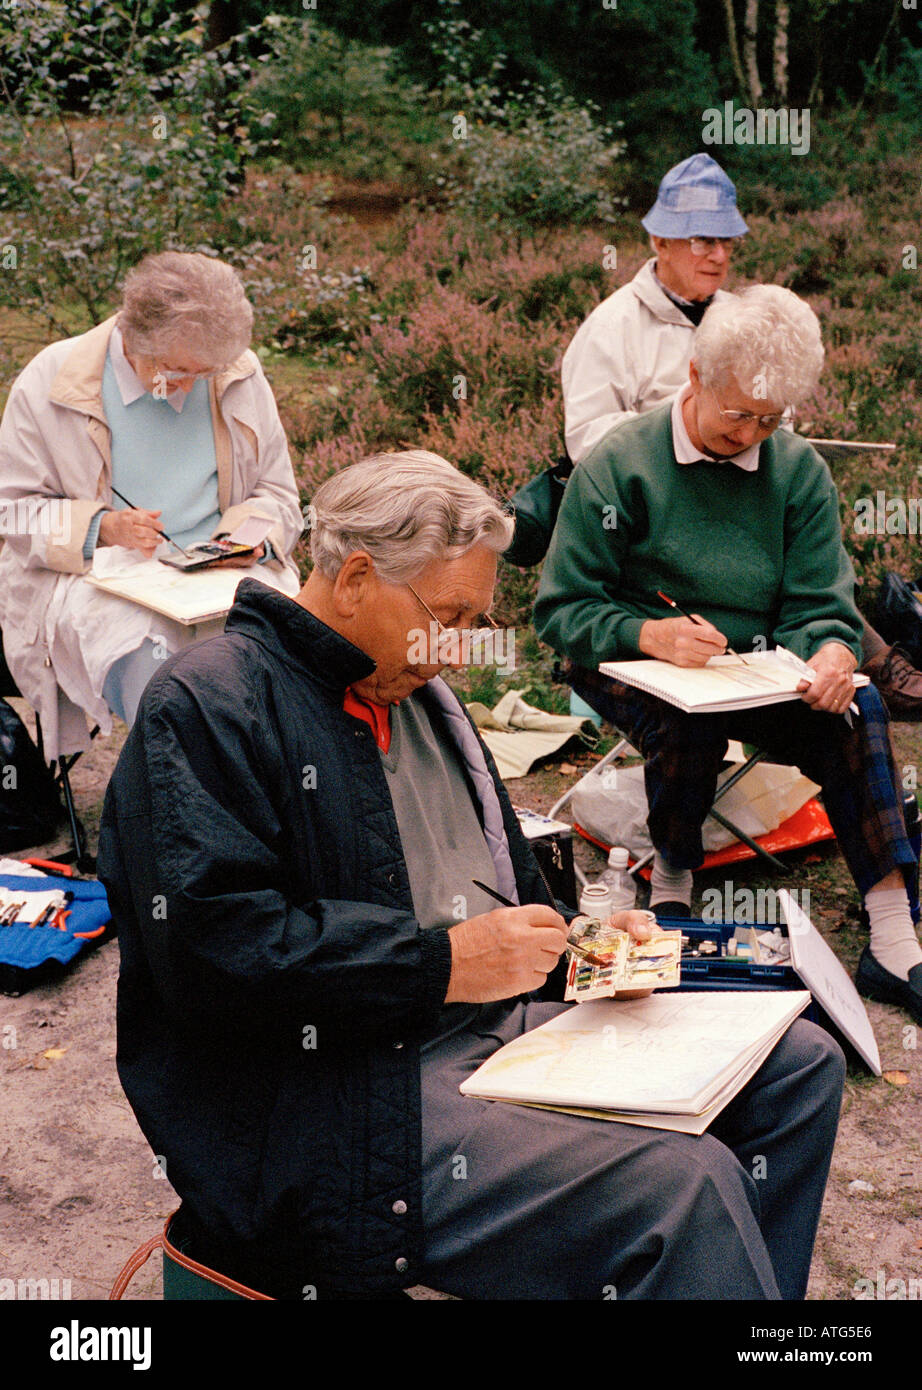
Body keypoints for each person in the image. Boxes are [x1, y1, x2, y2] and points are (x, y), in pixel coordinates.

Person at [98, 450, 845, 1300]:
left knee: (798, 1067)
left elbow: (503, 892)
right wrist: (442, 963)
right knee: (684, 1185)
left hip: (489, 1034)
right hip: (334, 1097)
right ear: (354, 577)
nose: (455, 650)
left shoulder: (423, 699)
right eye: (446, 616)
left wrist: (589, 951)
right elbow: (211, 953)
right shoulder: (206, 703)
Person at [536, 286, 922, 1024]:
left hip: (755, 666)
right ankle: (674, 883)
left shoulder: (797, 470)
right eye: (736, 413)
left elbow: (818, 604)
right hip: (626, 655)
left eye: (769, 421)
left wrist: (835, 653)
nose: (748, 434)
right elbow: (560, 609)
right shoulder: (621, 461)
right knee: (685, 715)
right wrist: (649, 635)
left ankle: (893, 937)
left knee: (860, 707)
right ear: (694, 377)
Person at [560, 153, 922, 717]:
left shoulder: (742, 315)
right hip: (650, 521)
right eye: (703, 240)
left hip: (745, 508)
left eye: (728, 242)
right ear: (659, 240)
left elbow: (779, 417)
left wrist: (754, 426)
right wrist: (684, 426)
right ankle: (880, 660)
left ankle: (849, 657)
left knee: (809, 570)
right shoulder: (613, 327)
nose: (720, 255)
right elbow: (586, 441)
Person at [0, 251, 303, 759]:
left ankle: (275, 801)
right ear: (131, 337)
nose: (191, 385)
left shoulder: (235, 373)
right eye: (178, 371)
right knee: (159, 669)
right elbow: (13, 514)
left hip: (221, 570)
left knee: (277, 652)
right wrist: (104, 527)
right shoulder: (53, 376)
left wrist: (245, 540)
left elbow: (279, 496)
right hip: (99, 576)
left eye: (207, 372)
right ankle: (187, 806)